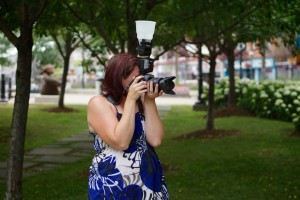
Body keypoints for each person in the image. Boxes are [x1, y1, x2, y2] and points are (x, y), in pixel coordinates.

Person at [87, 53, 169, 199]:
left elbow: (155, 140)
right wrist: (131, 100)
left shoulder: (141, 102)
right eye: (134, 78)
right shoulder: (99, 103)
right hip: (113, 185)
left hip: (148, 182)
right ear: (117, 78)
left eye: (141, 77)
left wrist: (149, 101)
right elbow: (121, 142)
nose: (139, 82)